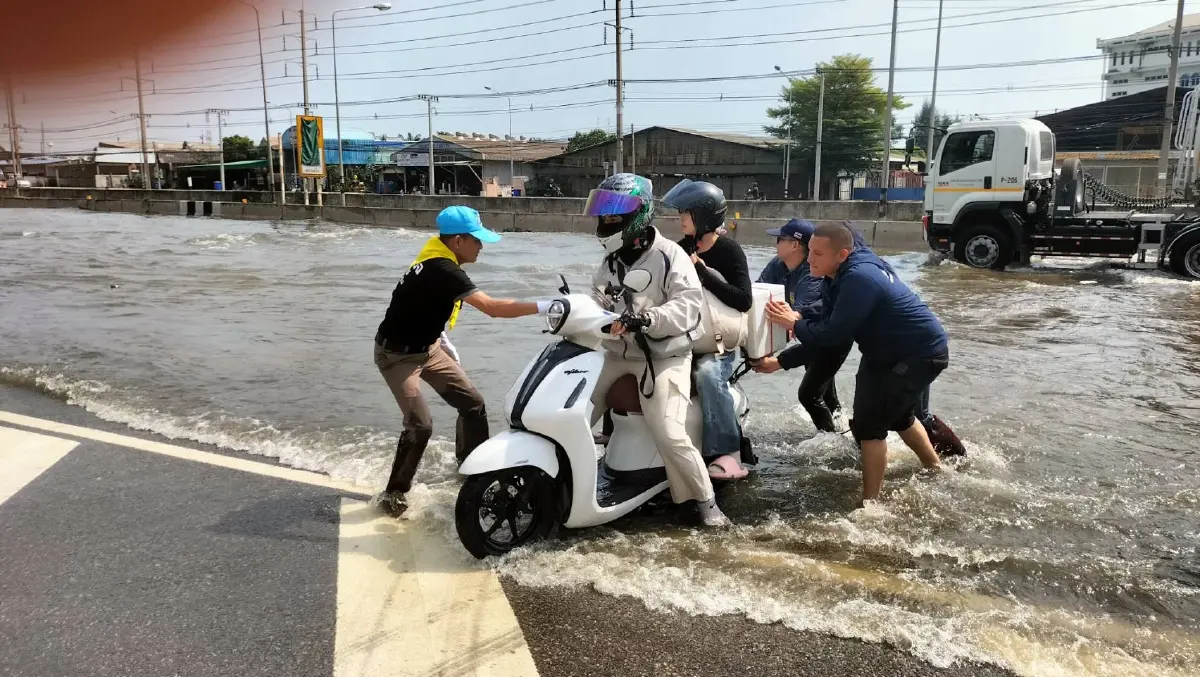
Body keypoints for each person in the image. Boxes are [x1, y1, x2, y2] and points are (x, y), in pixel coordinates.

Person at [373, 205, 553, 517]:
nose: (481, 246)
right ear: (457, 241)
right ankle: (393, 493)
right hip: (396, 355)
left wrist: (439, 337)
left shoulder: (436, 259)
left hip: (428, 348)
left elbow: (417, 302)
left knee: (473, 404)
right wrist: (545, 306)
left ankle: (472, 472)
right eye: (477, 240)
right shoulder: (443, 269)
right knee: (420, 426)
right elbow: (492, 308)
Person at [754, 222, 949, 502]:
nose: (809, 260)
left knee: (870, 426)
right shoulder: (836, 275)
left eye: (818, 254)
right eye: (809, 251)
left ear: (842, 254)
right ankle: (935, 468)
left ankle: (870, 504)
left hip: (919, 353)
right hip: (883, 352)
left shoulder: (859, 278)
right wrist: (781, 360)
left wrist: (795, 325)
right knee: (900, 416)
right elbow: (824, 329)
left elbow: (832, 335)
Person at [585, 173, 730, 527]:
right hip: (618, 354)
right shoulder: (611, 261)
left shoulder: (671, 255)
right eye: (603, 213)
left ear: (639, 213)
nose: (606, 221)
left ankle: (706, 502)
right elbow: (596, 300)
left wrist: (646, 319)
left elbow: (688, 307)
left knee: (668, 430)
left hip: (664, 357)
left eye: (615, 214)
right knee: (575, 409)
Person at [663, 179, 753, 480]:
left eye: (685, 212)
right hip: (682, 338)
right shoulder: (676, 250)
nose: (680, 218)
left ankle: (728, 454)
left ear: (703, 216)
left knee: (707, 374)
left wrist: (702, 272)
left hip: (717, 344)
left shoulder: (729, 251)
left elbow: (743, 301)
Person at [756, 218, 863, 434]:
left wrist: (780, 361)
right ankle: (842, 433)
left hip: (829, 337)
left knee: (809, 394)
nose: (775, 243)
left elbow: (803, 319)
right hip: (811, 335)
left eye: (779, 239)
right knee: (824, 393)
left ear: (795, 245)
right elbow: (757, 294)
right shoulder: (778, 265)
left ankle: (829, 440)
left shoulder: (813, 274)